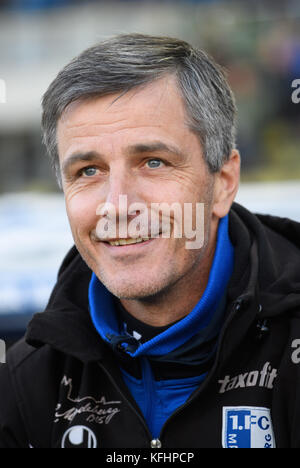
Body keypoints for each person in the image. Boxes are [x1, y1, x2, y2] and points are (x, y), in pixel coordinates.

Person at [0, 33, 300, 449]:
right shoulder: (27, 380)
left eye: (153, 162)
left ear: (223, 182)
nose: (118, 206)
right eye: (88, 170)